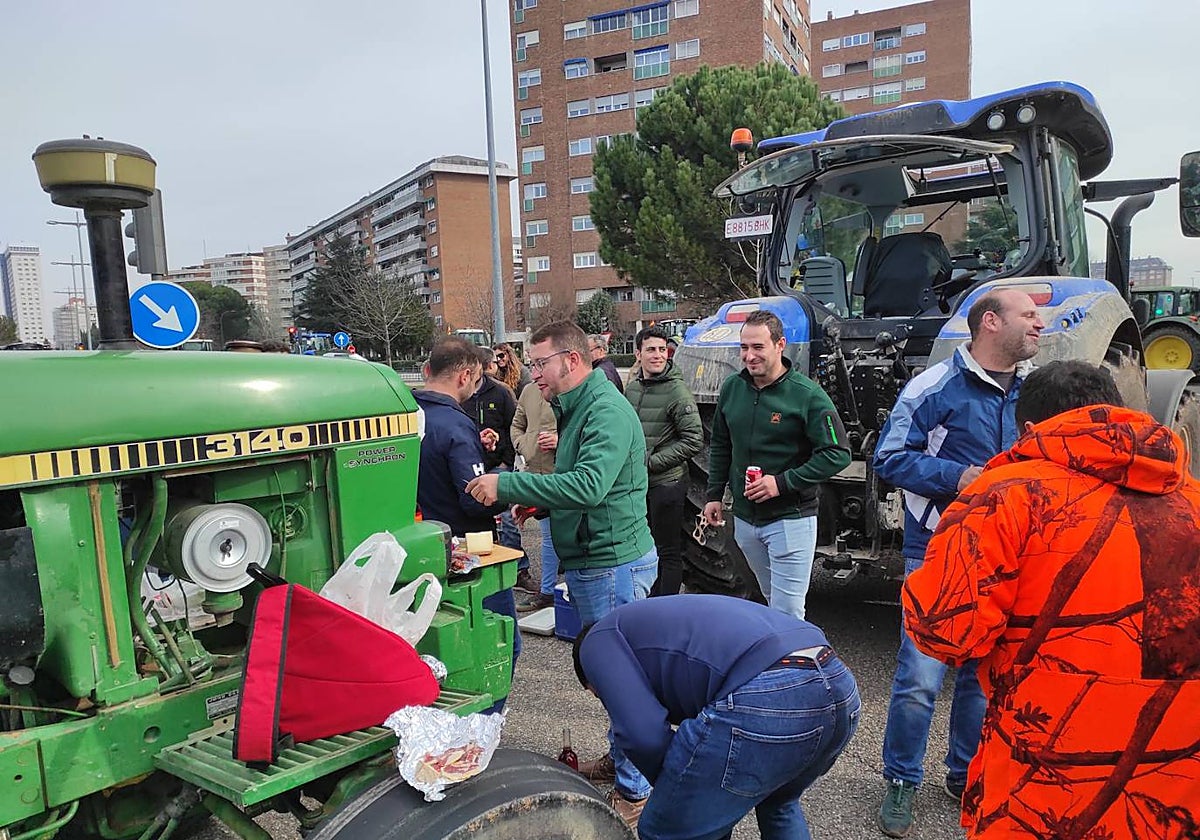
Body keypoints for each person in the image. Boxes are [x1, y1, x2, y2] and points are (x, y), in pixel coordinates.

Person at [905, 360, 1200, 839]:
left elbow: (945, 631)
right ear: (1118, 412)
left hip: (1047, 776)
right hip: (1174, 778)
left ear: (1027, 429)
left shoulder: (1003, 496)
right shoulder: (1192, 497)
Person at [466, 320, 657, 823]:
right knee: (611, 675)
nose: (533, 374)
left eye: (539, 363)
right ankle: (624, 764)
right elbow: (580, 485)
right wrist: (543, 508)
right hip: (595, 558)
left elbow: (591, 486)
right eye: (531, 364)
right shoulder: (576, 408)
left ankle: (635, 791)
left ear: (571, 360)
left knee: (620, 681)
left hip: (612, 564)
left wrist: (508, 487)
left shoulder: (605, 410)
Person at [870, 288, 1044, 838]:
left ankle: (964, 773)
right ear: (990, 322)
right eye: (1029, 315)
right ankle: (901, 779)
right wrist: (956, 477)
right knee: (921, 676)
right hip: (939, 549)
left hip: (1009, 549)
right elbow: (889, 458)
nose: (1039, 324)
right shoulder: (933, 387)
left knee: (981, 673)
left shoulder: (1034, 390)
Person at [574, 595, 860, 840]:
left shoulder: (596, 642)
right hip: (837, 684)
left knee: (664, 828)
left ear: (590, 681)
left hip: (771, 691)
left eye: (596, 693)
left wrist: (677, 793)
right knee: (778, 804)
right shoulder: (649, 623)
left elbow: (642, 735)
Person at [702, 310, 851, 619]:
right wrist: (713, 494)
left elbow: (838, 453)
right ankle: (782, 662)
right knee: (770, 604)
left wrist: (780, 483)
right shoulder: (732, 388)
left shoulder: (807, 395)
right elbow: (720, 443)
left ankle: (800, 665)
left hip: (790, 520)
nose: (749, 355)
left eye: (758, 347)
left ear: (780, 344)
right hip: (745, 520)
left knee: (789, 612)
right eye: (744, 347)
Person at [412, 338, 520, 704]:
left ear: (427, 371)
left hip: (419, 549)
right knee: (499, 648)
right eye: (476, 382)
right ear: (467, 374)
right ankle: (482, 730)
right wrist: (510, 495)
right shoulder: (456, 426)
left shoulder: (405, 414)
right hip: (468, 553)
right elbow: (473, 500)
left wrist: (478, 455)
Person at [626, 325, 703, 596]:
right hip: (639, 485)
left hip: (667, 484)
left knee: (668, 551)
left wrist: (652, 462)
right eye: (651, 350)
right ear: (638, 354)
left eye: (662, 350)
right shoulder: (632, 388)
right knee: (645, 549)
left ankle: (666, 607)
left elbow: (694, 439)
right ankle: (648, 603)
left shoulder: (677, 391)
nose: (658, 355)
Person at [462, 346, 532, 592]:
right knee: (481, 522)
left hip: (499, 467)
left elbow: (514, 427)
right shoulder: (461, 395)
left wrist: (505, 460)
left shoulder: (501, 392)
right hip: (470, 469)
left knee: (509, 520)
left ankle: (518, 569)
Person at [510, 372, 560, 612]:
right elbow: (517, 424)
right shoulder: (529, 391)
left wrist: (559, 440)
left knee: (571, 536)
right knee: (548, 536)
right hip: (536, 475)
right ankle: (549, 591)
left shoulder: (564, 390)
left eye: (542, 363)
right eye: (533, 363)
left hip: (562, 475)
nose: (537, 370)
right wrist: (524, 444)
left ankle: (560, 591)